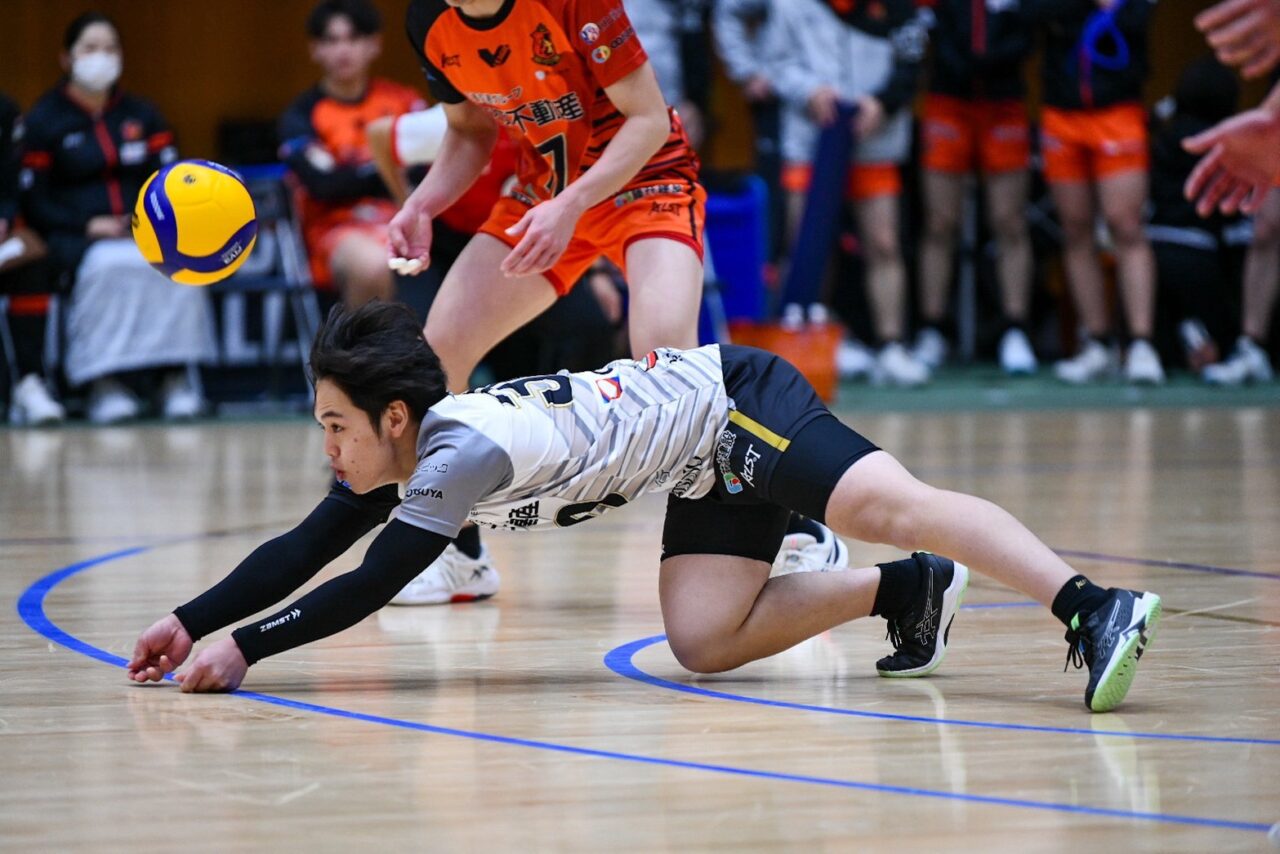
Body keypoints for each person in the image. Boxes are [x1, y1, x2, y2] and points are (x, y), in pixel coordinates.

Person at [127, 300, 1162, 715]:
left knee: (893, 503)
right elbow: (305, 545)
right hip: (693, 460)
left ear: (393, 417)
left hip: (733, 403)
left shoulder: (455, 453)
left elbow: (370, 583)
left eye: (334, 425)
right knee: (704, 639)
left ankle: (1089, 603)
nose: (328, 448)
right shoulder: (411, 454)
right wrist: (187, 619)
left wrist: (246, 647)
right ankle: (908, 592)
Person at [384, 0, 846, 605]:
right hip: (546, 193)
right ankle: (460, 554)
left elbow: (648, 119)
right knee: (437, 358)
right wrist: (421, 204)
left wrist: (571, 206)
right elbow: (471, 131)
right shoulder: (428, 22)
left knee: (672, 373)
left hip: (645, 182)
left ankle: (799, 530)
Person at [20, 12, 214, 423]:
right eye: (90, 48)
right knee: (108, 267)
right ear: (66, 58)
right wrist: (88, 226)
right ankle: (103, 382)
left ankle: (173, 377)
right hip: (76, 237)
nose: (102, 57)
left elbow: (172, 180)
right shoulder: (44, 121)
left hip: (143, 231)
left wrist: (148, 219)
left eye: (110, 48)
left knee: (179, 266)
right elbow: (34, 200)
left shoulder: (142, 115)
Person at [764, 0, 932, 387]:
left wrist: (884, 102)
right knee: (805, 243)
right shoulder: (791, 6)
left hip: (876, 139)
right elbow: (777, 64)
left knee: (884, 242)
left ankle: (890, 345)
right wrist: (809, 92)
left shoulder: (898, 7)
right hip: (811, 140)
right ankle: (807, 342)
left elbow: (912, 60)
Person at [1028, 0, 1163, 385]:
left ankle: (1141, 344)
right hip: (1061, 111)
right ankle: (1097, 342)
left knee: (1126, 225)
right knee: (1075, 229)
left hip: (1117, 112)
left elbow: (1137, 20)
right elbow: (1034, 15)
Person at [915, 0, 1038, 375]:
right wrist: (961, 62)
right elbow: (926, 29)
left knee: (1009, 221)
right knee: (939, 222)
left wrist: (992, 61)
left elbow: (1031, 28)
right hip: (948, 98)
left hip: (1004, 101)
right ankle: (933, 327)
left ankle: (1014, 328)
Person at [279, 0, 426, 306]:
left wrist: (359, 175)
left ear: (374, 45)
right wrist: (388, 168)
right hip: (336, 229)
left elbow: (427, 169)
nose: (343, 50)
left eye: (354, 38)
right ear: (315, 49)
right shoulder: (301, 115)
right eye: (332, 40)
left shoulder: (404, 102)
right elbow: (325, 185)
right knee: (372, 265)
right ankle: (365, 341)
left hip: (408, 219)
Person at [0, 90, 66, 426]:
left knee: (31, 263)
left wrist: (4, 216)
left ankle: (28, 382)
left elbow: (12, 179)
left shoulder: (4, 110)